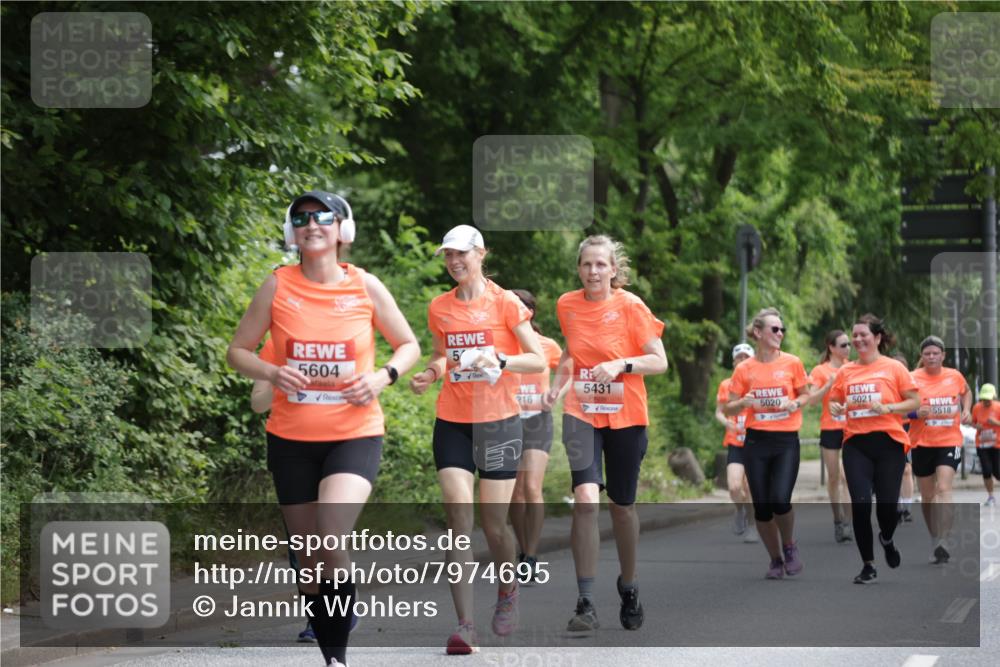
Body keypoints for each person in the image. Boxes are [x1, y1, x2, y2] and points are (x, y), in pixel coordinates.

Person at [228, 190, 421, 667]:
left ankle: (339, 658)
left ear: (342, 229)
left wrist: (381, 377)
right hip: (291, 439)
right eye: (302, 218)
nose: (312, 224)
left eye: (323, 217)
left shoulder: (365, 286)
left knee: (330, 537)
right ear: (291, 231)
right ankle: (327, 650)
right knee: (309, 558)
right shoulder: (276, 285)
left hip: (353, 434)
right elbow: (238, 351)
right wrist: (272, 373)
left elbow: (408, 344)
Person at [409, 225, 545, 654]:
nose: (453, 262)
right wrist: (430, 373)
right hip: (452, 419)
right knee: (459, 522)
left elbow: (536, 357)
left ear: (481, 254)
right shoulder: (439, 307)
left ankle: (507, 590)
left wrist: (501, 358)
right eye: (448, 255)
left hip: (499, 421)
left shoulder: (505, 303)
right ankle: (465, 625)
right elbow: (442, 354)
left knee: (493, 524)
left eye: (461, 254)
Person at [543, 235, 667, 632]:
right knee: (584, 498)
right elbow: (571, 353)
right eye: (586, 265)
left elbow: (659, 360)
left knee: (622, 507)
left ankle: (628, 586)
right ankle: (586, 601)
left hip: (626, 415)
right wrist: (557, 385)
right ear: (578, 268)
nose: (593, 271)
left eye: (601, 265)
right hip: (582, 411)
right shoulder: (567, 304)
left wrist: (621, 365)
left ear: (614, 270)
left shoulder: (631, 306)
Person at [829, 314, 919, 584]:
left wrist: (889, 407)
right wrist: (835, 405)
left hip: (890, 443)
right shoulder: (846, 371)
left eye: (863, 334)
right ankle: (868, 564)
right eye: (854, 335)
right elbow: (835, 398)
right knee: (860, 503)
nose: (857, 339)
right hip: (856, 443)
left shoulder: (894, 368)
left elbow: (915, 401)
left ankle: (887, 538)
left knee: (887, 509)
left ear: (877, 338)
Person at [726, 308, 812, 579]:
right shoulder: (744, 369)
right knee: (762, 506)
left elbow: (806, 394)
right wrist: (742, 403)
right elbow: (728, 407)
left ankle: (789, 545)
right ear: (758, 333)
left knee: (779, 498)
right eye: (775, 329)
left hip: (786, 439)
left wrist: (795, 402)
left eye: (782, 329)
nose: (780, 334)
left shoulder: (792, 363)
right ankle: (775, 559)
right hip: (756, 441)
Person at [508, 289, 563, 581]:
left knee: (531, 487)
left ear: (531, 312)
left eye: (522, 307)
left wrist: (555, 392)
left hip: (538, 420)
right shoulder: (502, 343)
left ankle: (530, 555)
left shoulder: (546, 345)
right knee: (515, 494)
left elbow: (570, 366)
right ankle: (522, 548)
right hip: (507, 421)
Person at [909, 335, 972, 564]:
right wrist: (916, 414)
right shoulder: (912, 378)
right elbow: (899, 408)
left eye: (936, 353)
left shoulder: (954, 376)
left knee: (944, 487)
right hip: (921, 442)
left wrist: (966, 409)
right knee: (927, 496)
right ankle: (935, 537)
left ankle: (944, 539)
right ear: (922, 356)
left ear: (943, 356)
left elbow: (966, 392)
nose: (932, 357)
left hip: (949, 439)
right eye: (927, 354)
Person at [808, 330, 853, 543]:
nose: (848, 349)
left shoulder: (853, 368)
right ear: (831, 348)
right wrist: (828, 385)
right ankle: (838, 519)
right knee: (834, 477)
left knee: (848, 477)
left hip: (852, 428)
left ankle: (848, 523)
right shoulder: (820, 370)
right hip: (830, 428)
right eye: (844, 345)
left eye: (849, 345)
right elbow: (811, 400)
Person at [714, 343, 758, 543]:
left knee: (749, 487)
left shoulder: (758, 382)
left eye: (746, 357)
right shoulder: (726, 384)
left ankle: (752, 526)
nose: (742, 360)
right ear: (734, 361)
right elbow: (719, 412)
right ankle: (739, 510)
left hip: (755, 443)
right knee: (733, 487)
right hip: (734, 442)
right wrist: (728, 424)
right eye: (739, 357)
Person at [892, 352, 915, 524]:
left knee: (907, 469)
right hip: (890, 427)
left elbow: (919, 407)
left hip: (907, 428)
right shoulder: (885, 384)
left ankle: (907, 508)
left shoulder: (911, 385)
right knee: (891, 469)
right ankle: (896, 506)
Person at [971, 383, 1000, 506]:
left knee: (998, 473)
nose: (986, 402)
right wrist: (976, 426)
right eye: (984, 399)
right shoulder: (976, 407)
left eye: (988, 399)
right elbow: (973, 422)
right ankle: (991, 497)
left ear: (993, 397)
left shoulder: (998, 407)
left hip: (997, 444)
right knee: (987, 471)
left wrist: (996, 423)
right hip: (982, 444)